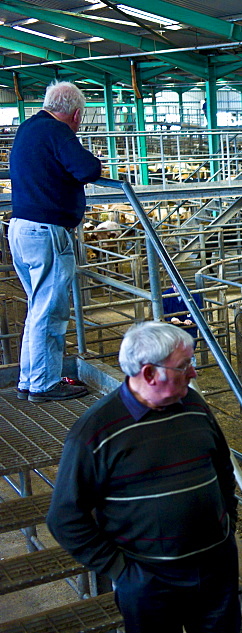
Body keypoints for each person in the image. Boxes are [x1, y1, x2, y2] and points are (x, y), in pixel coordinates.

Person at [47, 321, 241, 633]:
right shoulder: (95, 433)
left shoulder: (195, 406)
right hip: (151, 582)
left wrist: (227, 528)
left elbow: (223, 469)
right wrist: (122, 571)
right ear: (150, 373)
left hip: (215, 571)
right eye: (184, 366)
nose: (194, 372)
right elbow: (65, 518)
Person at [9, 81, 102, 403]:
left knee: (38, 308)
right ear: (76, 114)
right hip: (47, 231)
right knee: (50, 311)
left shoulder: (29, 127)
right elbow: (88, 169)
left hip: (21, 227)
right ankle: (45, 384)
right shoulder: (57, 131)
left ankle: (30, 378)